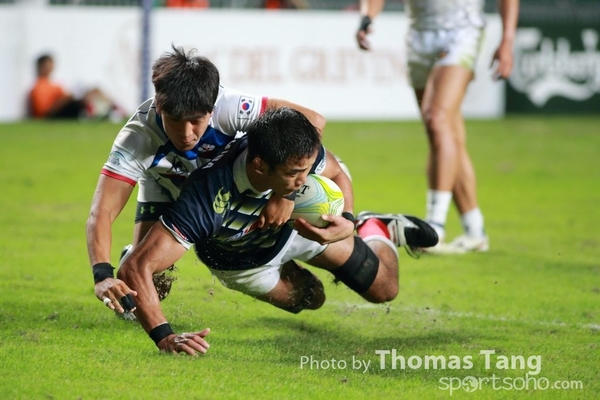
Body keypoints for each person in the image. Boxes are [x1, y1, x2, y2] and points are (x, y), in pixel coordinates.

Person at [117, 107, 438, 355]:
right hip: (242, 261)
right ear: (258, 165)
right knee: (311, 298)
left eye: (306, 171)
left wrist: (347, 220)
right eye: (295, 174)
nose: (304, 180)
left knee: (384, 290)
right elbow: (136, 266)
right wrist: (165, 337)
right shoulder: (207, 199)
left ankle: (375, 227)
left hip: (297, 228)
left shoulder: (293, 151)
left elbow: (337, 171)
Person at [87, 45, 329, 314]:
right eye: (175, 120)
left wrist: (285, 195)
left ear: (212, 109)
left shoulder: (231, 107)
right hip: (164, 184)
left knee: (310, 296)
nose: (186, 134)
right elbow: (102, 210)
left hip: (218, 185)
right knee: (148, 281)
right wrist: (102, 274)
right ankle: (133, 252)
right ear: (158, 105)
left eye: (196, 121)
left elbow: (314, 121)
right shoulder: (137, 138)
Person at [356, 0, 519, 254]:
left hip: (461, 31)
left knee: (437, 118)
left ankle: (435, 227)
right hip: (418, 35)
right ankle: (475, 229)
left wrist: (507, 41)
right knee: (446, 133)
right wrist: (367, 18)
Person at [29, 54, 119, 120]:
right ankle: (109, 111)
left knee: (94, 90)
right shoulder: (38, 87)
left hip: (63, 111)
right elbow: (43, 112)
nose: (50, 68)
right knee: (79, 98)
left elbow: (63, 98)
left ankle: (111, 109)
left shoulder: (55, 85)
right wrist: (68, 97)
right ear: (40, 67)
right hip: (51, 116)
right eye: (47, 66)